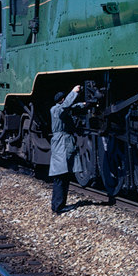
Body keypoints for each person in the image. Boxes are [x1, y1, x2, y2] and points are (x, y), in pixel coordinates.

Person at [49, 85, 87, 215]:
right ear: (62, 99)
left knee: (64, 176)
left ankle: (59, 205)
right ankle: (58, 207)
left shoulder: (61, 109)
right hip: (60, 143)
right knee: (60, 176)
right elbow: (65, 107)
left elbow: (71, 107)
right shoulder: (56, 109)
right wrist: (74, 92)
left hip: (64, 143)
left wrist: (84, 104)